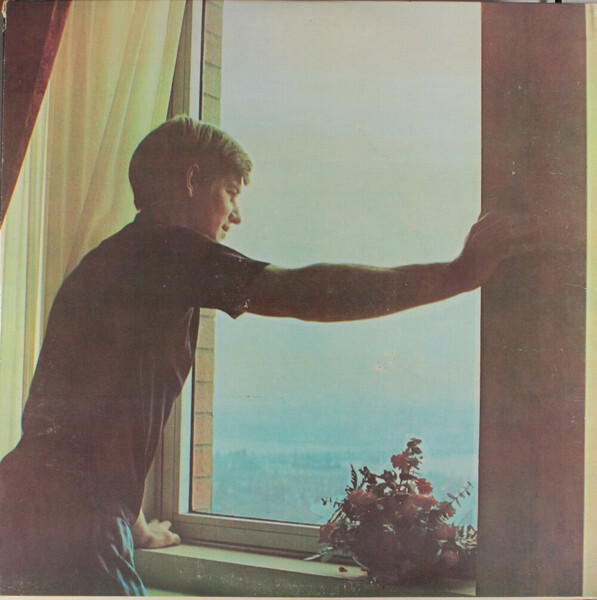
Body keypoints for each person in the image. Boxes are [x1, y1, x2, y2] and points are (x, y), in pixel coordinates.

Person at [0, 115, 538, 595]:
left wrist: (133, 523)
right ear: (191, 179)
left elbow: (98, 414)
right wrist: (457, 275)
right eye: (230, 193)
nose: (236, 216)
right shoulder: (171, 252)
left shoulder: (111, 259)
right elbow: (304, 291)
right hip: (75, 524)